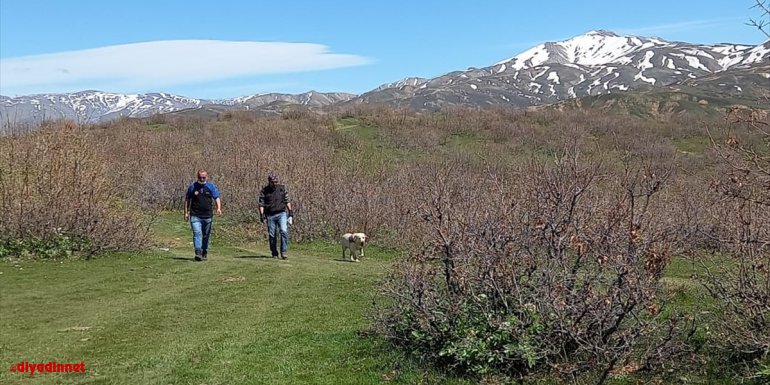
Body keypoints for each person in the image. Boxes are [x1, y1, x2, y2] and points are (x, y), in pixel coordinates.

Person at [184, 169, 222, 261]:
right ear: (197, 177)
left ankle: (204, 251)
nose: (202, 179)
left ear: (207, 177)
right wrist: (186, 212)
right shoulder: (193, 187)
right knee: (197, 233)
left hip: (207, 216)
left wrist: (219, 208)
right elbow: (187, 199)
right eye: (200, 177)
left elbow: (216, 198)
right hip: (195, 215)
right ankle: (198, 252)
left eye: (203, 177)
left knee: (206, 235)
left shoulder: (210, 186)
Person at [259, 173, 293, 259]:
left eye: (275, 182)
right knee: (272, 235)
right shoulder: (264, 191)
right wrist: (262, 214)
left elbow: (287, 200)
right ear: (269, 182)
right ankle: (274, 252)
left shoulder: (282, 188)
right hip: (270, 215)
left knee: (283, 231)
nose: (274, 183)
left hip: (282, 213)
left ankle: (284, 252)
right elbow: (261, 204)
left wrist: (290, 211)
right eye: (272, 182)